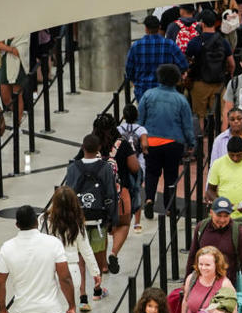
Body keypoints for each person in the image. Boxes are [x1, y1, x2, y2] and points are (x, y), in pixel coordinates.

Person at [64, 134, 119, 309]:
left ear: (82, 147)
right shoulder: (105, 168)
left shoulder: (73, 168)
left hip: (78, 220)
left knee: (80, 256)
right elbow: (110, 194)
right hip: (98, 218)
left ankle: (82, 295)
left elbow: (67, 194)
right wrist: (112, 218)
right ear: (99, 148)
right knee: (96, 254)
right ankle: (97, 289)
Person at [83, 113, 140, 275]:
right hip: (120, 195)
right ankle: (113, 253)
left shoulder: (91, 145)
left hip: (96, 197)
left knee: (101, 228)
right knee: (123, 224)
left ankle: (103, 266)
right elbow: (135, 167)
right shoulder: (122, 144)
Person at [138, 63, 195, 219]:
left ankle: (149, 199)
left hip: (151, 142)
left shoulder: (148, 95)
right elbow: (187, 125)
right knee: (171, 175)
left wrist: (140, 139)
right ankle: (169, 207)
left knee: (151, 172)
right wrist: (191, 143)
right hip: (173, 144)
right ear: (176, 79)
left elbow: (140, 120)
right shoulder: (181, 100)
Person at [187, 197, 242, 296]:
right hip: (202, 286)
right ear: (211, 212)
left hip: (227, 287)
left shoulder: (238, 232)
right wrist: (186, 284)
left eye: (226, 216)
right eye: (219, 215)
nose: (222, 220)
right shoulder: (201, 227)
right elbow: (192, 256)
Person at [184, 10, 235, 120]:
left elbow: (186, 61)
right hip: (219, 84)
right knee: (220, 116)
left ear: (202, 24)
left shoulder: (194, 42)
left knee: (199, 116)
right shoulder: (223, 42)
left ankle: (201, 136)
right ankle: (219, 136)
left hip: (199, 82)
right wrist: (228, 75)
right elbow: (232, 64)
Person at [125, 15, 188, 102]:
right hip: (167, 93)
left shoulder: (136, 46)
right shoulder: (170, 45)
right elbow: (183, 65)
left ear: (146, 28)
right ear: (159, 27)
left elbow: (129, 70)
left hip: (143, 92)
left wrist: (136, 82)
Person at [118, 104, 148, 233]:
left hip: (122, 164)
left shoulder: (118, 129)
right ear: (137, 116)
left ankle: (122, 216)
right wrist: (145, 151)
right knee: (136, 190)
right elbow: (145, 144)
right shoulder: (141, 129)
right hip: (138, 163)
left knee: (121, 190)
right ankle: (137, 223)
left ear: (123, 116)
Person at [0, 34, 30, 124]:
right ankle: (18, 113)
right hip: (5, 62)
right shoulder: (7, 27)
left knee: (17, 95)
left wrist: (5, 47)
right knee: (5, 97)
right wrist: (11, 49)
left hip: (18, 64)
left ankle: (17, 123)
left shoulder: (25, 32)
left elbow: (19, 52)